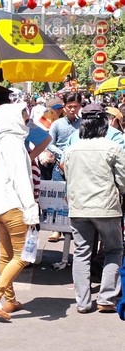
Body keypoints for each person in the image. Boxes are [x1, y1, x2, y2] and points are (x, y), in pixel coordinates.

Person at [62, 104, 125, 314]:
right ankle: (106, 298)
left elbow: (67, 178)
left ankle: (83, 302)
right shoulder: (112, 147)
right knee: (114, 250)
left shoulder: (71, 149)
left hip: (79, 208)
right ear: (104, 124)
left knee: (81, 253)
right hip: (107, 208)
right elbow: (123, 180)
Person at [0, 102, 39, 320]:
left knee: (6, 257)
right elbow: (22, 180)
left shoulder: (3, 142)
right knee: (24, 256)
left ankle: (10, 300)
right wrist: (31, 208)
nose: (26, 119)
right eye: (23, 115)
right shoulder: (14, 143)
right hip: (14, 207)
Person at [46, 93, 82, 246]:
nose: (72, 109)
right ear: (64, 107)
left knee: (76, 198)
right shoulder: (57, 124)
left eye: (75, 106)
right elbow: (49, 143)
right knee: (58, 198)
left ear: (80, 106)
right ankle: (57, 229)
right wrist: (63, 154)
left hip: (79, 166)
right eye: (69, 107)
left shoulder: (83, 124)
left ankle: (76, 228)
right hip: (59, 166)